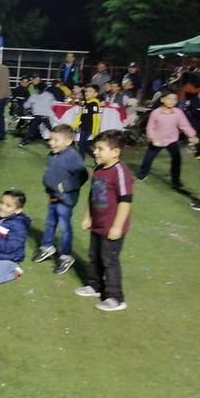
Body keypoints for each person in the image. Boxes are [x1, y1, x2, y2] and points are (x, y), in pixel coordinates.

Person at [74, 130, 133, 312]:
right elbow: (93, 195)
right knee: (94, 256)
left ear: (115, 152)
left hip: (112, 227)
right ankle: (94, 285)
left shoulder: (120, 172)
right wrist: (88, 216)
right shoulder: (99, 169)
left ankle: (116, 297)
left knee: (109, 260)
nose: (95, 152)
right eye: (95, 148)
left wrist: (116, 226)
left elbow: (125, 200)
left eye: (100, 149)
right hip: (97, 225)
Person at [33, 125, 89, 275]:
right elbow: (51, 173)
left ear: (69, 141)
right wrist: (49, 187)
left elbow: (82, 175)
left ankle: (66, 256)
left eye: (56, 140)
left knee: (64, 227)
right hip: (53, 195)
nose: (51, 142)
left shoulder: (72, 156)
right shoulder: (52, 154)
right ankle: (47, 247)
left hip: (65, 199)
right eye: (51, 139)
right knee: (50, 221)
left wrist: (65, 187)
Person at [136, 92, 199, 188]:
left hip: (172, 140)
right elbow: (150, 128)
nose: (172, 101)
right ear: (162, 100)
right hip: (157, 140)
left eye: (174, 99)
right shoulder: (156, 113)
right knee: (148, 159)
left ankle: (175, 181)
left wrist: (192, 135)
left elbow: (184, 125)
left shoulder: (178, 112)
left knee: (177, 159)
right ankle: (142, 174)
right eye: (169, 98)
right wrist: (153, 139)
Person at [74, 84, 102, 158]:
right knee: (82, 144)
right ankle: (83, 159)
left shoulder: (94, 104)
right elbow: (81, 115)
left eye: (90, 91)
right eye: (86, 91)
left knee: (81, 144)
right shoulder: (86, 103)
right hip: (83, 126)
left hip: (89, 127)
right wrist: (76, 124)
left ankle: (95, 157)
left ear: (95, 94)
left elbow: (96, 118)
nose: (87, 93)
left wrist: (95, 131)